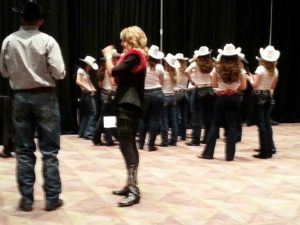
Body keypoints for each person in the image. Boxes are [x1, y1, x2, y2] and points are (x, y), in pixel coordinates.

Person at [0, 0, 65, 211]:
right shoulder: (48, 41)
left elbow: (3, 72)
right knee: (49, 152)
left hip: (20, 98)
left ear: (20, 18)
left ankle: (26, 200)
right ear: (40, 20)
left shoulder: (8, 41)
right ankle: (52, 198)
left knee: (24, 151)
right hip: (45, 96)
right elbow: (59, 72)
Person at [102, 26, 147, 207]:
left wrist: (107, 56)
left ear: (130, 40)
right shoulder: (132, 57)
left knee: (126, 143)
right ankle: (130, 184)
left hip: (128, 105)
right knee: (125, 142)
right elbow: (116, 76)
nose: (121, 43)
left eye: (123, 40)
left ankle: (134, 189)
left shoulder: (134, 55)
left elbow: (114, 72)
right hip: (124, 103)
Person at [199, 43, 247, 161]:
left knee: (215, 125)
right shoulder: (240, 68)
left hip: (221, 97)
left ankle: (208, 153)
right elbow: (244, 86)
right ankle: (230, 156)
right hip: (235, 97)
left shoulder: (217, 68)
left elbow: (214, 85)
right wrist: (233, 89)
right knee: (232, 125)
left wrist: (224, 89)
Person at [246, 45, 279, 159]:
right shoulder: (275, 71)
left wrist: (250, 78)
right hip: (268, 96)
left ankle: (264, 151)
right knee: (267, 123)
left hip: (259, 96)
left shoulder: (260, 69)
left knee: (261, 125)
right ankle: (269, 148)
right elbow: (272, 87)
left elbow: (255, 85)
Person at [138, 45, 164, 151]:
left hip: (145, 93)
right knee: (155, 119)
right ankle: (151, 145)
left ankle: (140, 143)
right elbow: (161, 82)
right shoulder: (160, 67)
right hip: (157, 93)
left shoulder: (143, 65)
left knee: (143, 119)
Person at [92, 50, 119, 146]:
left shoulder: (102, 69)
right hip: (110, 95)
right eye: (116, 58)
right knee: (108, 118)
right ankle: (107, 139)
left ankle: (97, 138)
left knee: (104, 117)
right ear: (112, 59)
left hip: (104, 94)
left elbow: (100, 85)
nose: (118, 60)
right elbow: (113, 83)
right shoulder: (111, 69)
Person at [76, 56, 98, 140]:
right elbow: (78, 81)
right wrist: (88, 88)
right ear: (86, 65)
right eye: (89, 66)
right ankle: (88, 133)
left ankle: (82, 132)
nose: (90, 68)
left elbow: (88, 82)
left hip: (88, 93)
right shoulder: (80, 70)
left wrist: (92, 88)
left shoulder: (86, 72)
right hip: (86, 93)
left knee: (87, 113)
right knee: (93, 112)